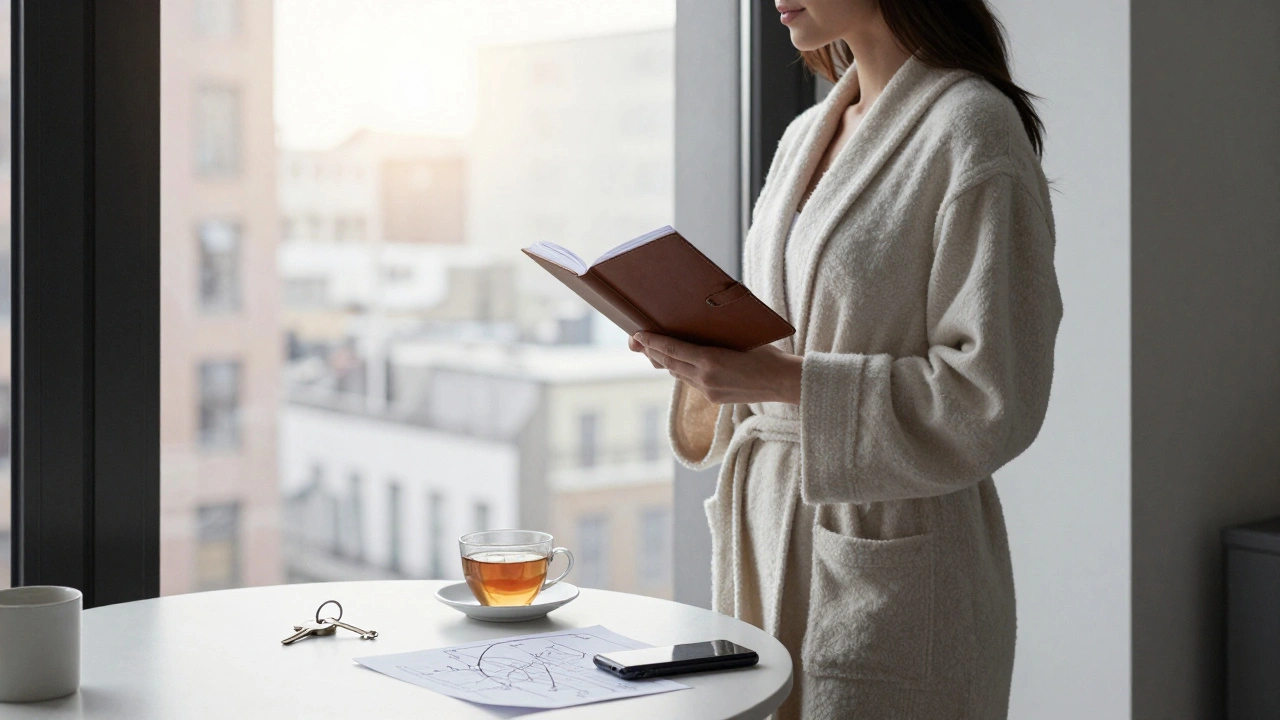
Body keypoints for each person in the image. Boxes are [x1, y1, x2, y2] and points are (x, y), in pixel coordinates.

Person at [629, 1, 1062, 717]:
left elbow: (993, 396)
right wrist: (710, 358)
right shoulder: (807, 132)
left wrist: (779, 380)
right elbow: (792, 339)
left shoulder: (972, 130)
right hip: (771, 530)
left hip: (892, 552)